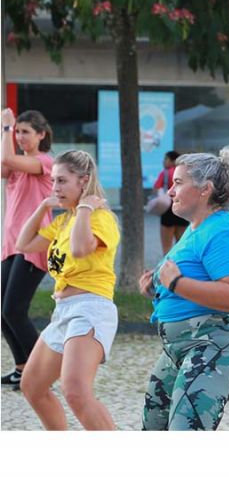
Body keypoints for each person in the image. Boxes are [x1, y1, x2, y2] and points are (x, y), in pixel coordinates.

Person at [138, 146, 229, 431]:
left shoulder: (221, 232)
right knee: (154, 427)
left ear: (205, 189)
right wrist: (157, 286)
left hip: (214, 342)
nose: (169, 191)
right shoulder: (195, 229)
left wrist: (176, 283)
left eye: (178, 183)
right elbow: (187, 281)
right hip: (178, 347)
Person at [15, 150, 120, 430]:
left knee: (75, 392)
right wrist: (42, 207)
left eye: (61, 181)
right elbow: (23, 244)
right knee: (33, 386)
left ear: (83, 182)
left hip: (90, 308)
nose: (55, 188)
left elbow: (79, 249)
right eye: (53, 181)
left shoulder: (100, 218)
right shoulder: (63, 220)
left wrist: (85, 208)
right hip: (63, 311)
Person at [1, 109, 54, 389]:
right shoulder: (17, 165)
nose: (20, 137)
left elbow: (5, 159)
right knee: (2, 312)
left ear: (41, 135)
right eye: (18, 132)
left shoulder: (44, 161)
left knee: (14, 310)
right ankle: (23, 368)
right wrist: (6, 132)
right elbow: (3, 167)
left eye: (26, 132)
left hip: (34, 245)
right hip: (11, 245)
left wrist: (6, 127)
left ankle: (41, 372)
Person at [154, 150, 189, 255]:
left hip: (168, 209)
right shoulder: (185, 173)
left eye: (166, 159)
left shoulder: (165, 173)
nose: (164, 162)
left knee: (167, 247)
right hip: (183, 209)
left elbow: (156, 188)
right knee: (181, 244)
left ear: (172, 160)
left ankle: (167, 267)